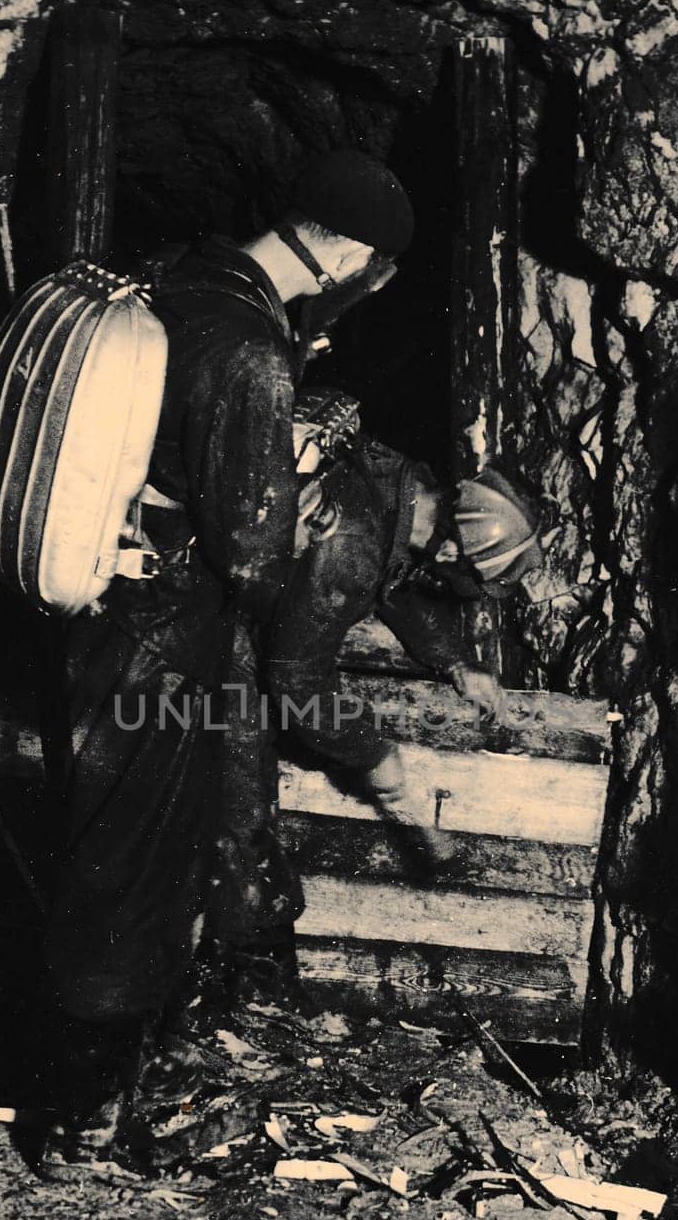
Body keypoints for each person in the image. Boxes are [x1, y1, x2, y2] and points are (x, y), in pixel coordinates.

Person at [40, 151, 415, 1176]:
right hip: (161, 636)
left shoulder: (187, 273)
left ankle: (100, 1099)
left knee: (123, 851)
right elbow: (253, 550)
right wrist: (299, 481)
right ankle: (78, 1132)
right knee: (133, 866)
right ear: (343, 250)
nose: (363, 285)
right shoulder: (249, 350)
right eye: (370, 267)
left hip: (117, 610)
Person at [197, 425, 547, 1003]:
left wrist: (457, 663)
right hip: (217, 627)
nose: (455, 585)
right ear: (455, 549)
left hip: (244, 603)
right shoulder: (353, 542)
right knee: (241, 807)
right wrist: (379, 759)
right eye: (466, 578)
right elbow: (298, 679)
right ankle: (232, 994)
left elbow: (395, 582)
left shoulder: (401, 486)